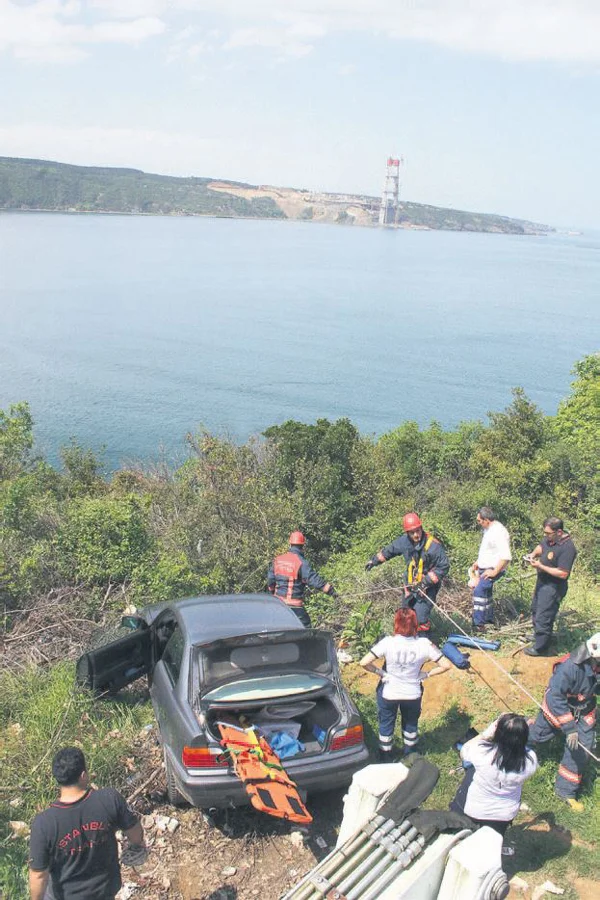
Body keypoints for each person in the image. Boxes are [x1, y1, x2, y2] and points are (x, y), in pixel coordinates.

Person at [29, 747, 146, 900]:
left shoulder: (43, 823)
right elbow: (136, 834)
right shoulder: (109, 799)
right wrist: (137, 846)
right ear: (83, 775)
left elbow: (38, 875)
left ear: (57, 779)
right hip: (105, 891)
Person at [359, 607, 452, 760]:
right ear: (416, 625)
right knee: (410, 723)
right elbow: (446, 665)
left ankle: (386, 755)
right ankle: (411, 753)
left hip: (389, 690)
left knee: (386, 722)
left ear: (395, 624)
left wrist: (381, 673)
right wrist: (426, 674)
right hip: (412, 691)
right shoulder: (424, 643)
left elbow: (364, 662)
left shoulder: (388, 642)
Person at [528, 633, 599, 812]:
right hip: (559, 709)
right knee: (538, 735)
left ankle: (565, 791)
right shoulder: (569, 668)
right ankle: (514, 738)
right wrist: (569, 728)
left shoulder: (596, 667)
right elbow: (555, 697)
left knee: (582, 748)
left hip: (584, 710)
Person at [450, 714, 538, 843]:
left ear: (498, 733)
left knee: (470, 775)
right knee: (491, 843)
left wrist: (487, 732)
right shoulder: (531, 760)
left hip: (476, 809)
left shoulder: (483, 753)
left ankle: (456, 827)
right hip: (505, 814)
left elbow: (464, 751)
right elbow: (519, 749)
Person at [365, 513, 449, 633]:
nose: (416, 535)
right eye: (412, 532)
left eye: (418, 531)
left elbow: (443, 566)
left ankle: (424, 644)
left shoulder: (433, 546)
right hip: (410, 585)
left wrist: (425, 582)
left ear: (421, 528)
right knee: (405, 616)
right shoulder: (404, 541)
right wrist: (373, 561)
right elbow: (390, 550)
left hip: (427, 587)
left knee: (420, 619)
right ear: (407, 533)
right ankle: (406, 644)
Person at [523, 517, 577, 656]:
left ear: (559, 532)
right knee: (535, 610)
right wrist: (533, 554)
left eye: (548, 533)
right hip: (542, 582)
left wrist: (540, 566)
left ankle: (541, 648)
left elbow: (563, 573)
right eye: (545, 533)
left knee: (544, 615)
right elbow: (541, 547)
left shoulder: (568, 548)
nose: (546, 536)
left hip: (553, 586)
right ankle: (538, 636)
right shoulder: (550, 539)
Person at [267, 531, 337, 628]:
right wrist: (332, 592)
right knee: (306, 629)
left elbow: (270, 582)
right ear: (302, 546)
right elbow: (314, 579)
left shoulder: (278, 560)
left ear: (290, 543)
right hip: (294, 606)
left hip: (278, 605)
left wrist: (273, 594)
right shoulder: (301, 562)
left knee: (277, 628)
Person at [469, 507, 512, 631]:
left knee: (479, 592)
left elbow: (506, 556)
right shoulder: (488, 529)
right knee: (486, 594)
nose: (478, 523)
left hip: (493, 569)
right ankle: (488, 620)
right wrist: (479, 562)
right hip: (485, 567)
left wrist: (494, 571)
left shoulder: (498, 532)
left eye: (479, 521)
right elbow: (490, 551)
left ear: (486, 520)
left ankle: (478, 625)